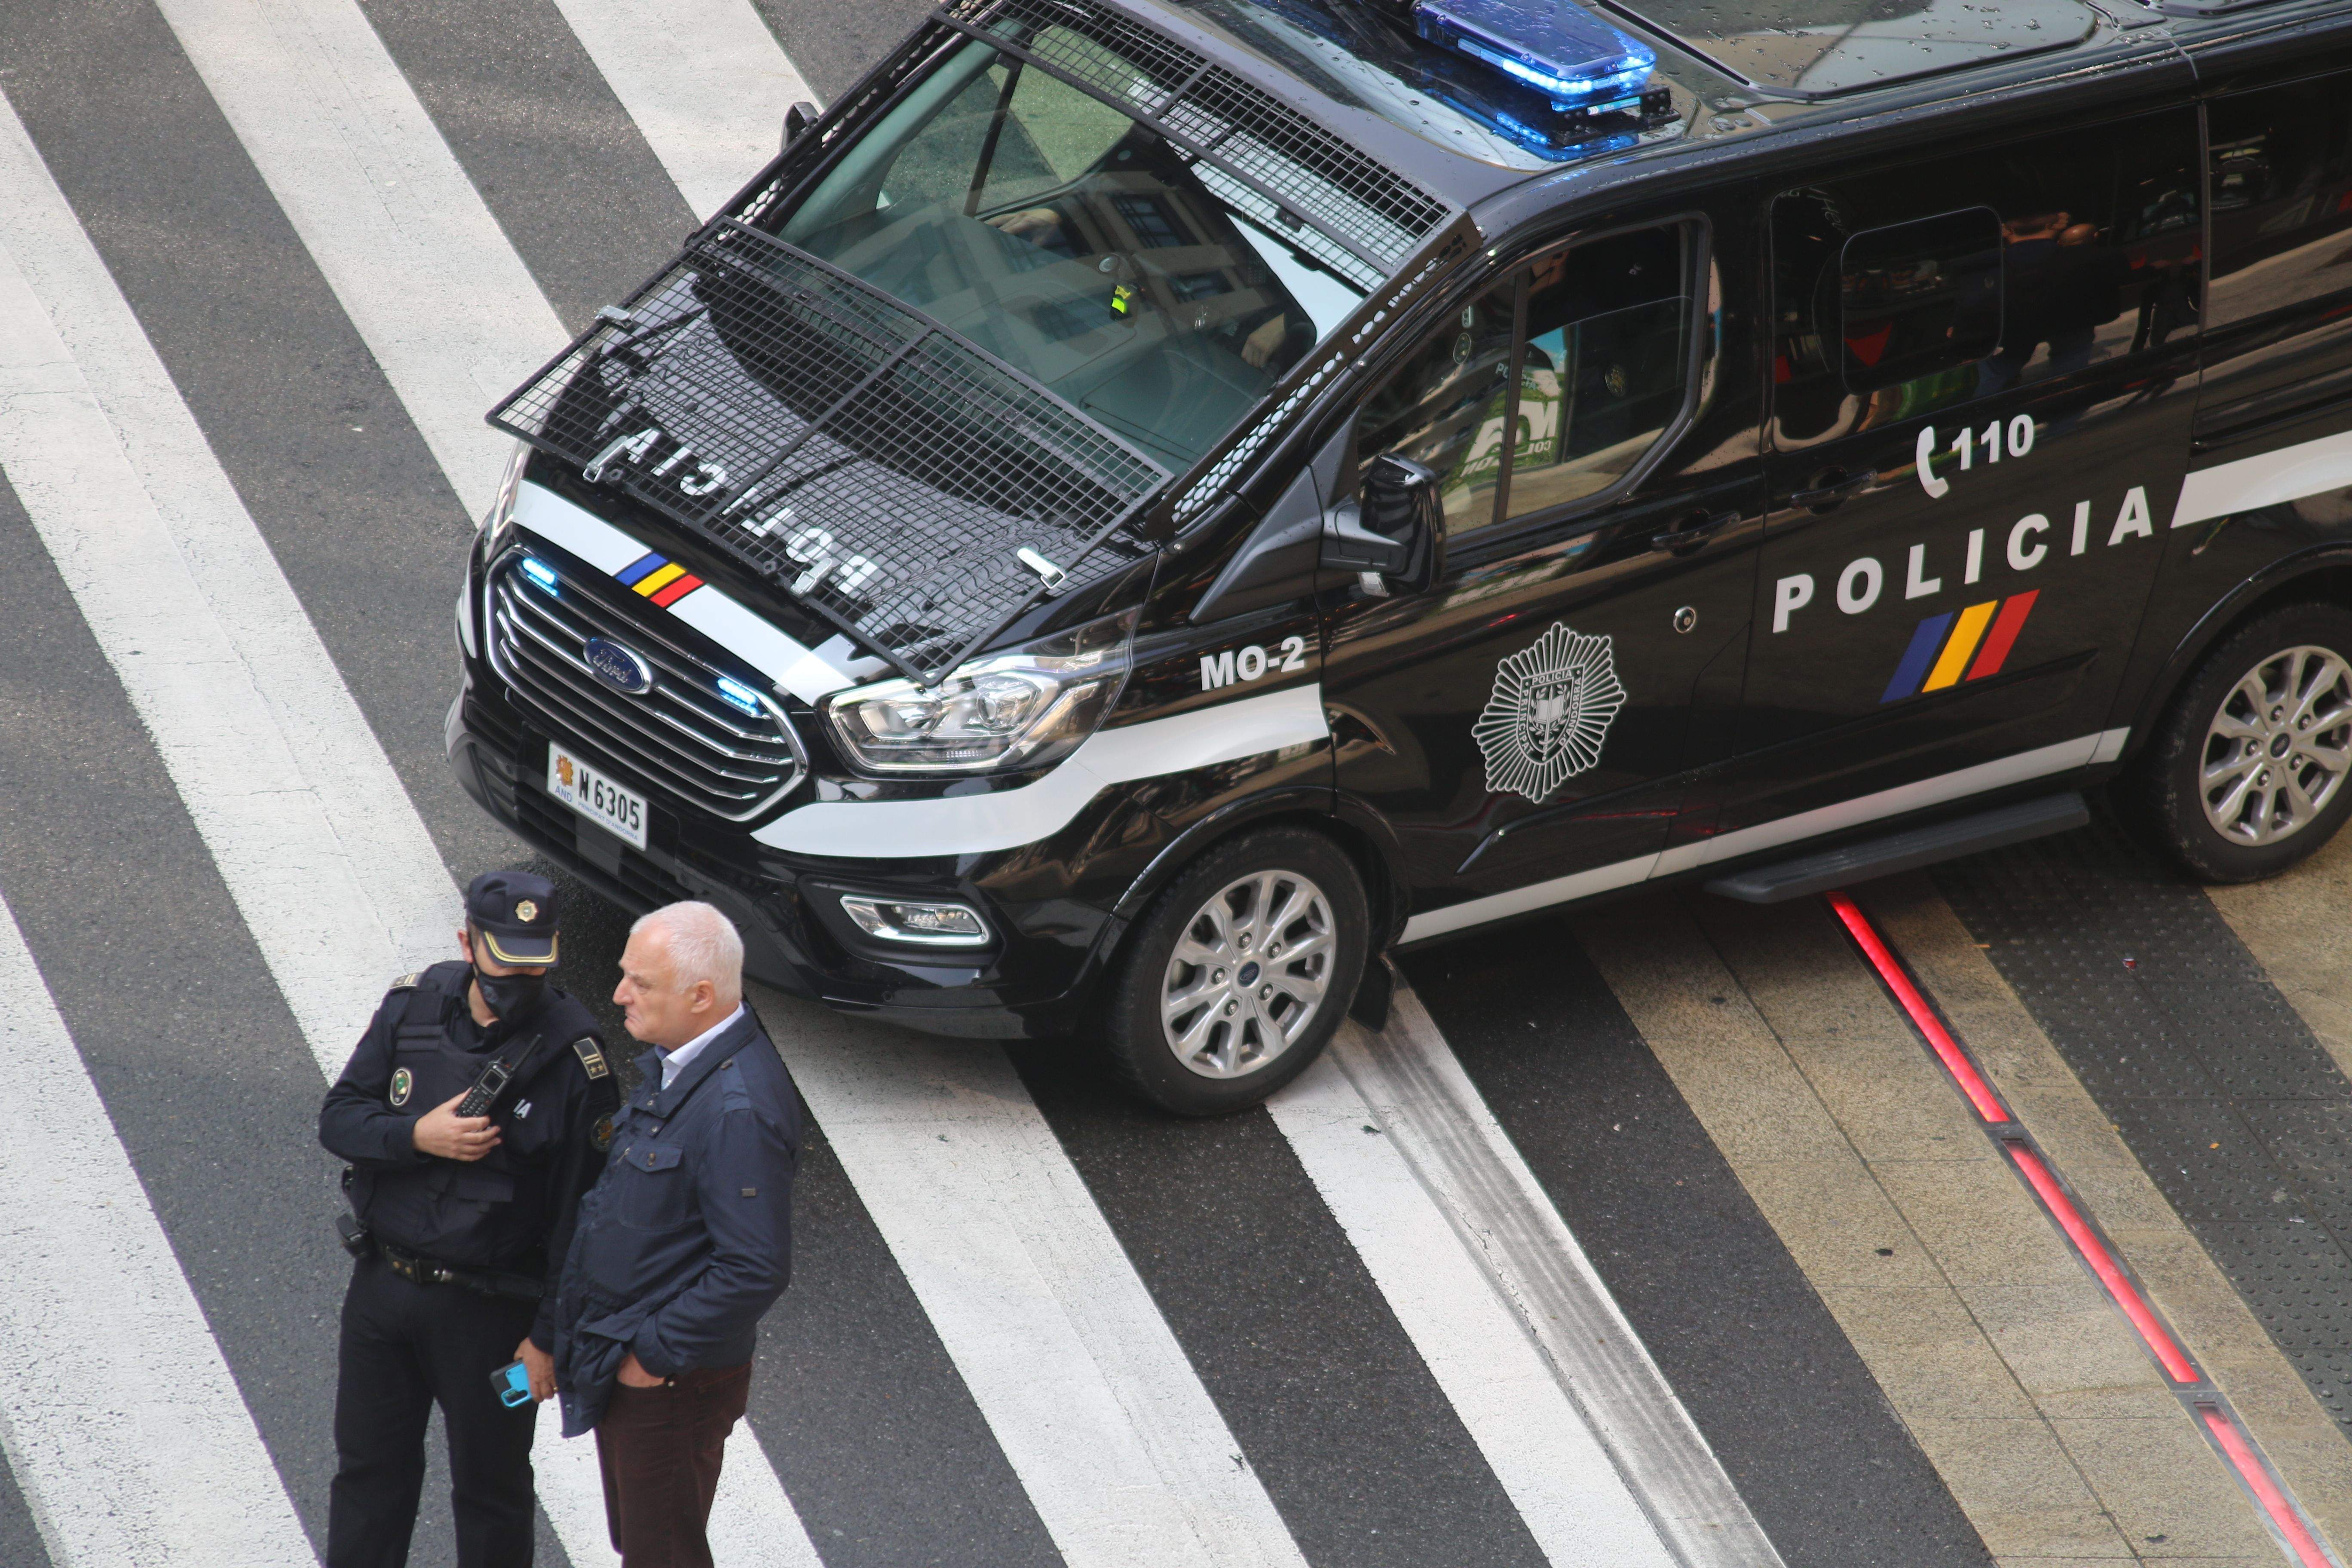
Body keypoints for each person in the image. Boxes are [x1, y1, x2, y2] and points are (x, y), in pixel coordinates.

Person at [319, 871, 620, 1568]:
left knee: (493, 1492)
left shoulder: (579, 1058)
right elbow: (339, 1118)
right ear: (468, 942)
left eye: (535, 958)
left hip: (491, 1317)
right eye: (505, 956)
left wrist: (546, 1339)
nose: (521, 974)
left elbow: (586, 1216)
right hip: (383, 1290)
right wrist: (416, 1137)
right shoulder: (412, 1010)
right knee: (369, 1477)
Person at [551, 900, 801, 1568]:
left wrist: (650, 1356)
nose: (619, 994)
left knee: (661, 1555)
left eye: (642, 984)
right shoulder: (684, 1064)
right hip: (643, 1371)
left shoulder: (735, 1111)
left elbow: (755, 1267)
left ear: (701, 995)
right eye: (625, 975)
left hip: (668, 1384)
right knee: (646, 1544)